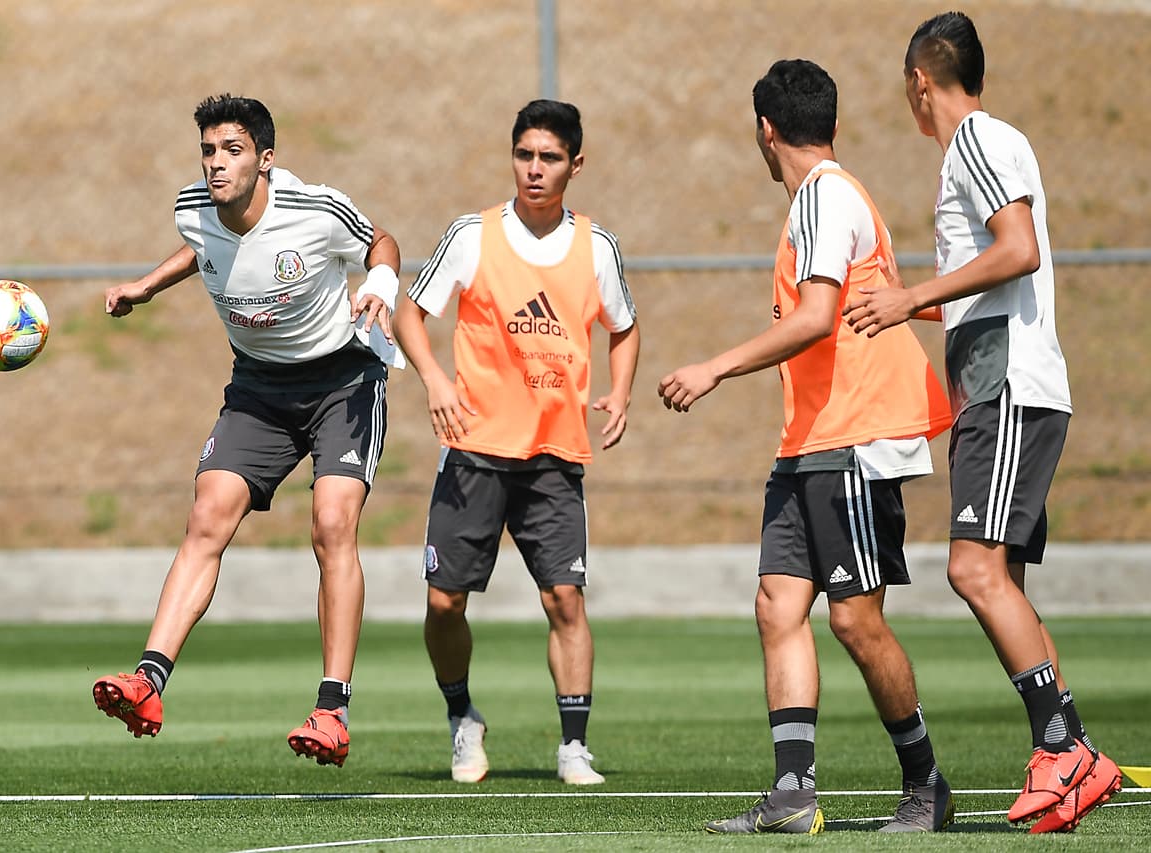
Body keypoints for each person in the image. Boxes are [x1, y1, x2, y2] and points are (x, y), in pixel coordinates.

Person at [659, 59, 956, 834]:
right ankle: (793, 794)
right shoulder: (817, 203)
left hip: (855, 437)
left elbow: (818, 316)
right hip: (811, 441)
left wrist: (714, 366)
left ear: (765, 129)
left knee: (856, 620)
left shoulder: (825, 195)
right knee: (777, 604)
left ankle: (927, 785)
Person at [843, 11, 1122, 832]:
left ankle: (1067, 748)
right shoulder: (982, 146)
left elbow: (1019, 247)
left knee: (972, 569)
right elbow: (991, 279)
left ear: (918, 82)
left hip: (1008, 392)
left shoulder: (976, 141)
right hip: (1003, 388)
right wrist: (906, 310)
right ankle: (1063, 764)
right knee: (1006, 586)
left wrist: (910, 295)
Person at [92, 93, 403, 770]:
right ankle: (148, 681)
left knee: (331, 522)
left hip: (343, 379)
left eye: (231, 151)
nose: (215, 164)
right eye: (208, 150)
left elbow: (380, 240)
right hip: (259, 386)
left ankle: (333, 707)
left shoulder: (315, 210)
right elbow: (203, 247)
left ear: (265, 159)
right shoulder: (193, 208)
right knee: (207, 513)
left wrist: (381, 279)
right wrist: (146, 285)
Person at [392, 99, 639, 786]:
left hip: (555, 455)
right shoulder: (473, 235)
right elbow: (409, 312)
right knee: (445, 602)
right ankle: (462, 716)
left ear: (575, 165)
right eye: (524, 155)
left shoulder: (597, 246)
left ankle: (574, 746)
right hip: (473, 450)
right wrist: (436, 379)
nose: (534, 169)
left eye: (550, 158)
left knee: (565, 600)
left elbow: (625, 326)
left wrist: (619, 392)